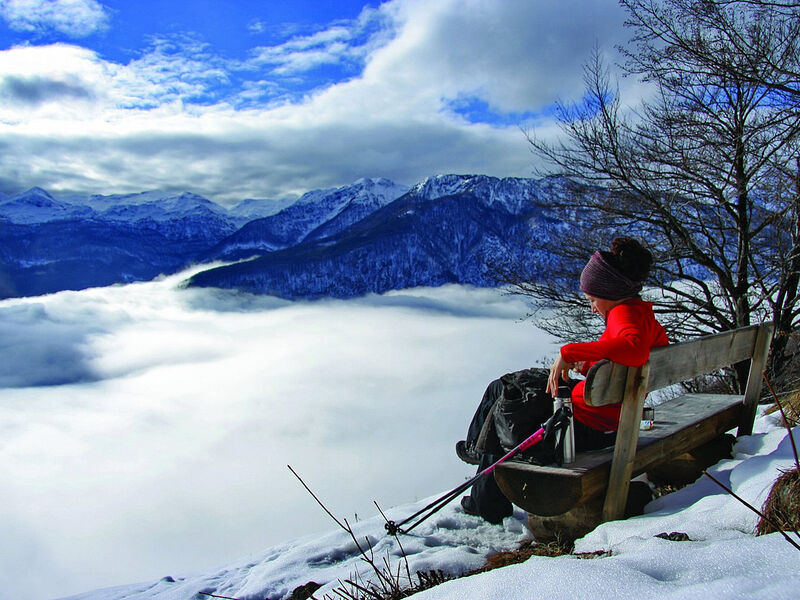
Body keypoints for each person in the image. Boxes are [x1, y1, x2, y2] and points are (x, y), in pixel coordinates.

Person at [456, 237, 669, 524]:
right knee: (508, 389)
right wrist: (592, 363)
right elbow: (633, 355)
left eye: (593, 299)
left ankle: (484, 487)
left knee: (507, 398)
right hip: (611, 418)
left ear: (611, 291)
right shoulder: (641, 313)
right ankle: (481, 474)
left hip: (584, 426)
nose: (592, 307)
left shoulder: (623, 314)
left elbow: (633, 349)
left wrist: (570, 351)